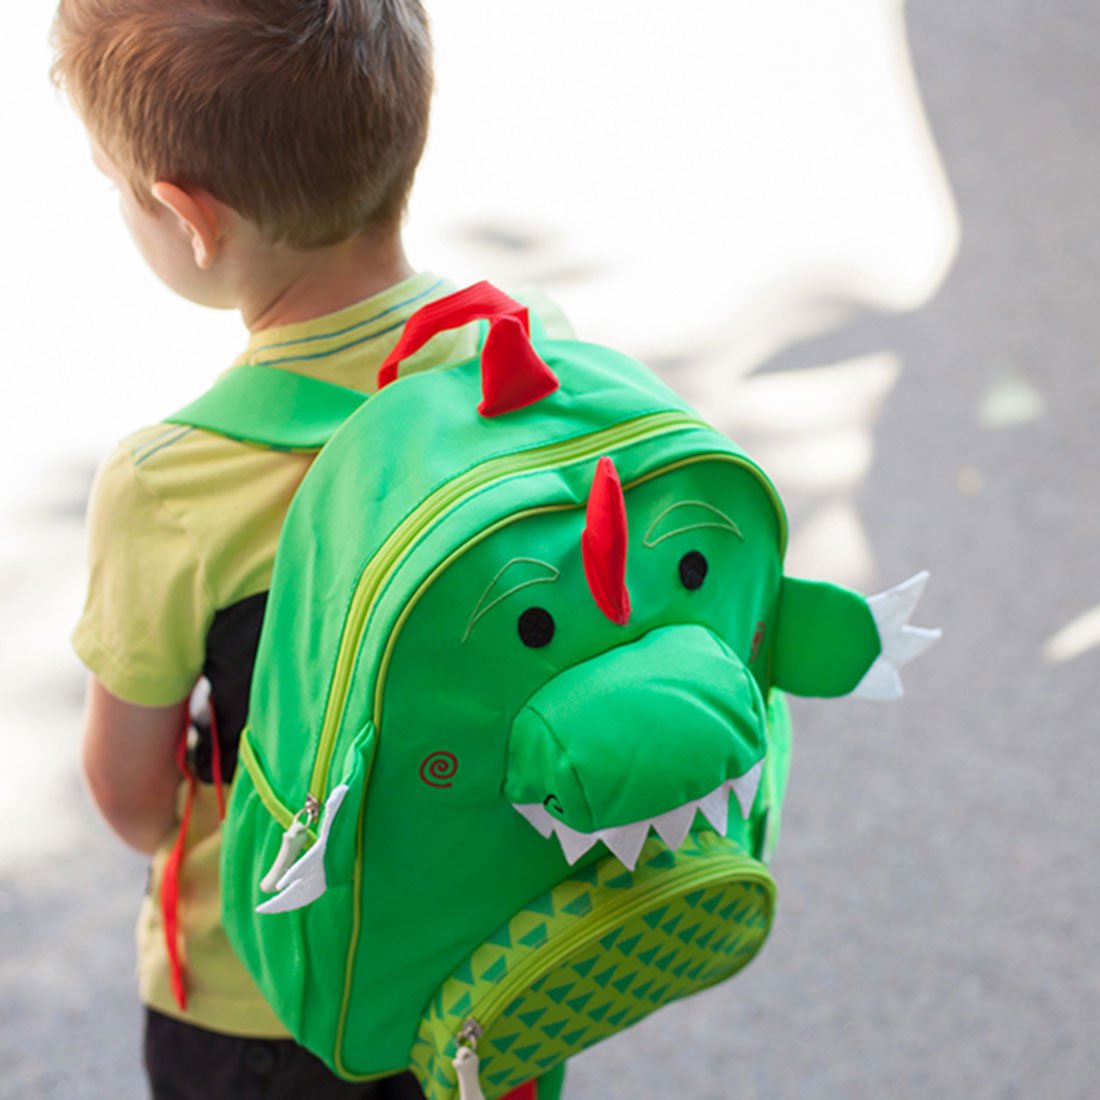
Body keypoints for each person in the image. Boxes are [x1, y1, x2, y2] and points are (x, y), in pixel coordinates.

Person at [52, 2, 570, 1096]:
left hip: (265, 989)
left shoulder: (174, 481)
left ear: (187, 218)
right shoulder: (527, 357)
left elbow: (132, 791)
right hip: (487, 949)